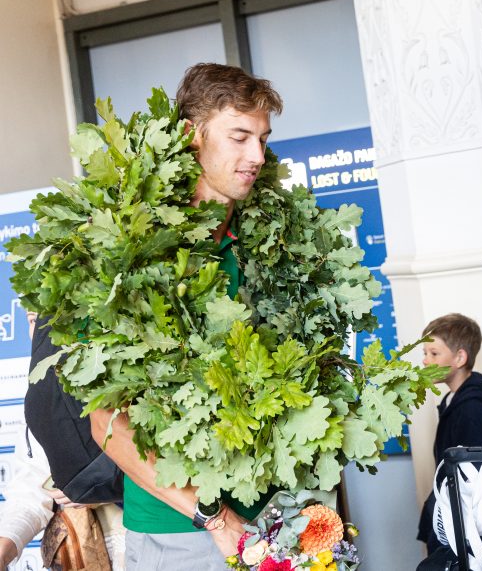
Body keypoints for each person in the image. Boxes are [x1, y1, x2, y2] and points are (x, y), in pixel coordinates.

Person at [88, 63, 283, 570]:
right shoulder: (131, 256)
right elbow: (108, 423)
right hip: (182, 534)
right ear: (190, 136)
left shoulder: (260, 244)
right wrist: (215, 520)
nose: (257, 156)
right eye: (239, 137)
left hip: (270, 516)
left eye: (262, 139)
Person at [0, 312, 124, 570]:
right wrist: (4, 548)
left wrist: (97, 488)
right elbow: (30, 491)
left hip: (142, 542)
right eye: (34, 321)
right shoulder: (41, 397)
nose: (43, 332)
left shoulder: (122, 378)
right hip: (83, 554)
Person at [415, 313, 482, 552]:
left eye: (434, 353)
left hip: (466, 529)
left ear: (460, 357)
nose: (426, 361)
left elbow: (478, 478)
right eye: (424, 353)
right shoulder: (454, 400)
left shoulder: (472, 408)